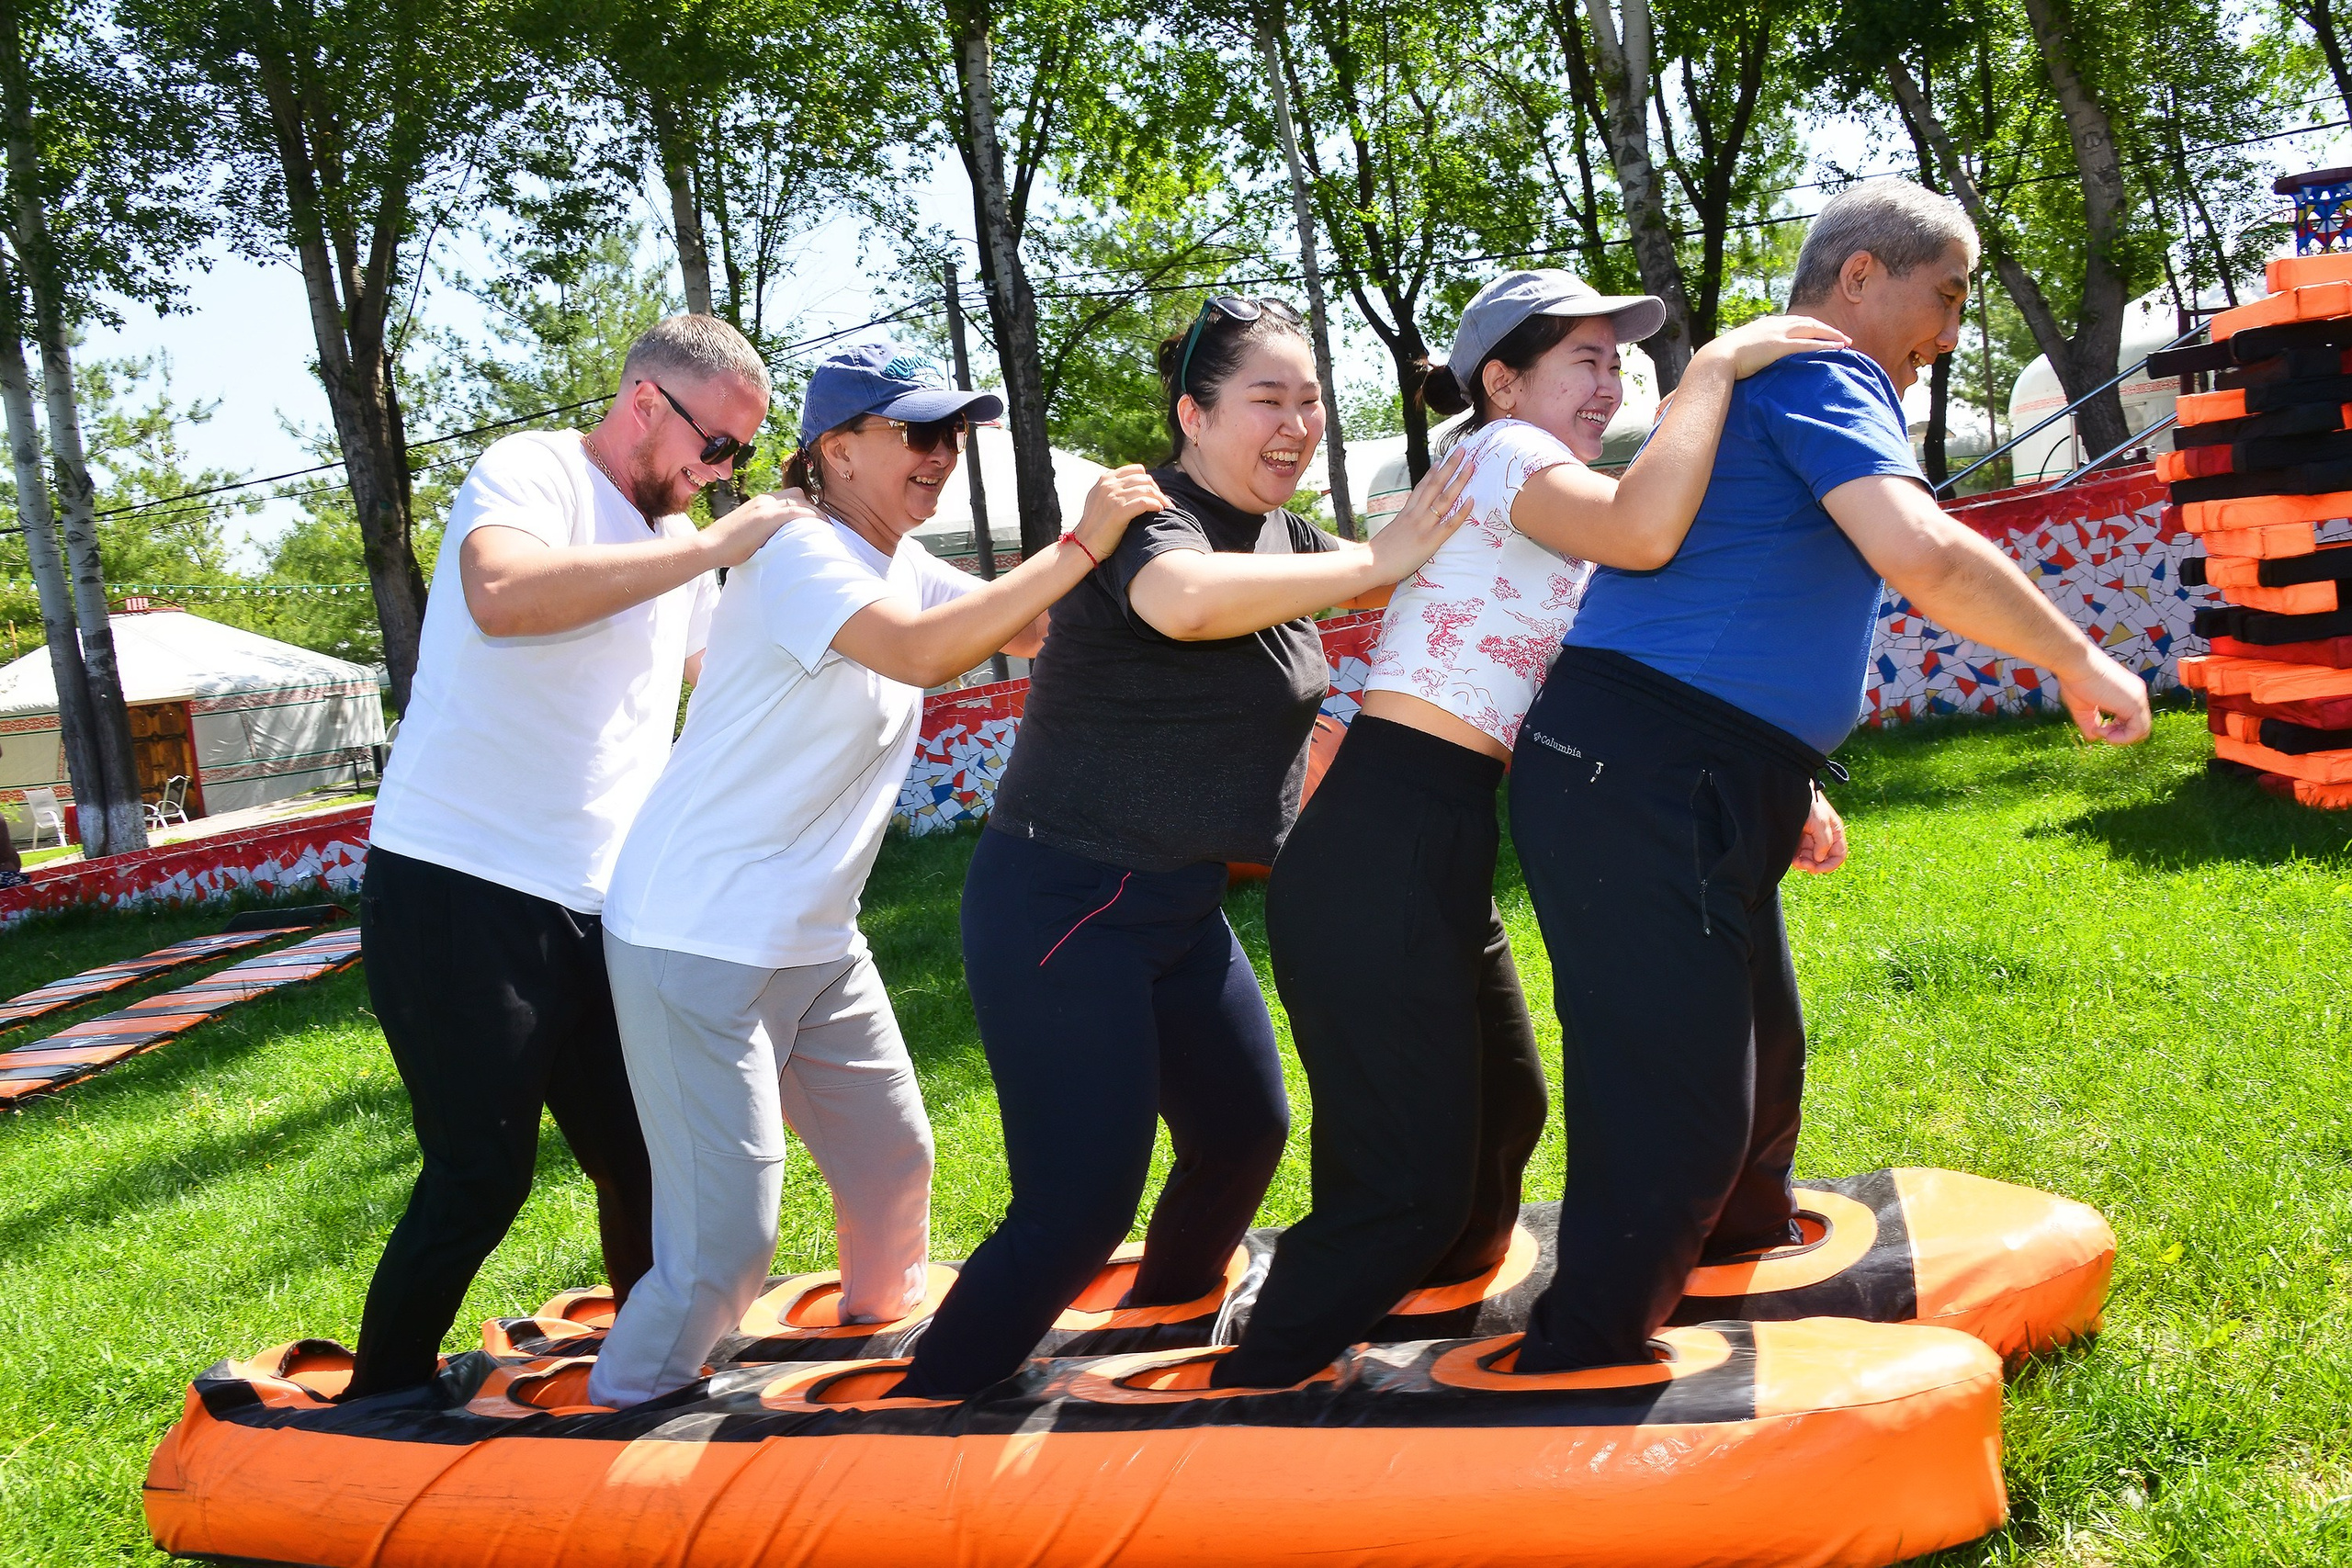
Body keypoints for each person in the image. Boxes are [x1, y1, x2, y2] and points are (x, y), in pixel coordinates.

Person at [1504, 180, 2152, 1376]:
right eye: (1945, 294)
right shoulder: (1820, 370)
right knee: (1678, 1100)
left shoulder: (1784, 386)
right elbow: (1921, 550)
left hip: (1693, 765)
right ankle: (1581, 1356)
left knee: (1761, 1068)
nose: (1953, 330)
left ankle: (1735, 1260)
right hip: (1642, 767)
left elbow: (1754, 581)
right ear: (1860, 276)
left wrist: (1782, 773)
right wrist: (2076, 651)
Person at [1214, 274, 1851, 1389]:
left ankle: (1420, 1333)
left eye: (1621, 362)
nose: (1611, 384)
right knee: (1404, 1184)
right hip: (1383, 838)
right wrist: (1707, 368)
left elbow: (1648, 658)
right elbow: (1646, 530)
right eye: (1585, 362)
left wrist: (1789, 781)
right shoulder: (1508, 457)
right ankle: (1257, 1381)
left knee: (1505, 1113)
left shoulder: (1546, 494)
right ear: (1504, 382)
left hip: (1441, 839)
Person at [888, 297, 1478, 1402]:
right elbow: (1180, 604)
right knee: (1073, 1209)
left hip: (1178, 905)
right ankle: (923, 1405)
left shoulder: (1289, 536)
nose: (1298, 422)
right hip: (1062, 899)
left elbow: (1393, 575)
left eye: (1310, 399)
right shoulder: (1149, 520)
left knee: (1245, 1131)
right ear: (1193, 416)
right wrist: (1376, 557)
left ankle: (1157, 1315)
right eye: (1268, 398)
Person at [582, 344, 1169, 1408]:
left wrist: (1166, 564)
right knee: (725, 1241)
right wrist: (1082, 538)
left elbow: (1028, 622)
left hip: (813, 939)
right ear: (837, 450)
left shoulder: (892, 554)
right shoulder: (799, 549)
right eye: (918, 434)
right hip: (695, 938)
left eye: (952, 436)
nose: (943, 457)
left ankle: (870, 1362)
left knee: (894, 1168)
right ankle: (628, 1412)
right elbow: (921, 650)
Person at [345, 315, 803, 1402]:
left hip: (605, 903)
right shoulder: (535, 470)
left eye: (740, 455)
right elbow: (501, 597)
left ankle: (653, 1373)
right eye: (717, 444)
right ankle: (379, 1400)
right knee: (479, 1174)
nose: (721, 472)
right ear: (646, 401)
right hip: (457, 884)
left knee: (648, 1159)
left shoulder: (676, 535)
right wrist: (705, 550)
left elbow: (731, 685)